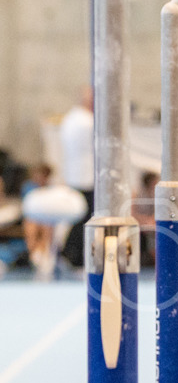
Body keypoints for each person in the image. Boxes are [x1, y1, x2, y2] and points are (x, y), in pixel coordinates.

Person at [59, 87, 94, 266]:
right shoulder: (87, 122)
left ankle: (70, 253)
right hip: (86, 178)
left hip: (75, 175)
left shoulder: (70, 119)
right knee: (84, 218)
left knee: (80, 217)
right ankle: (71, 254)